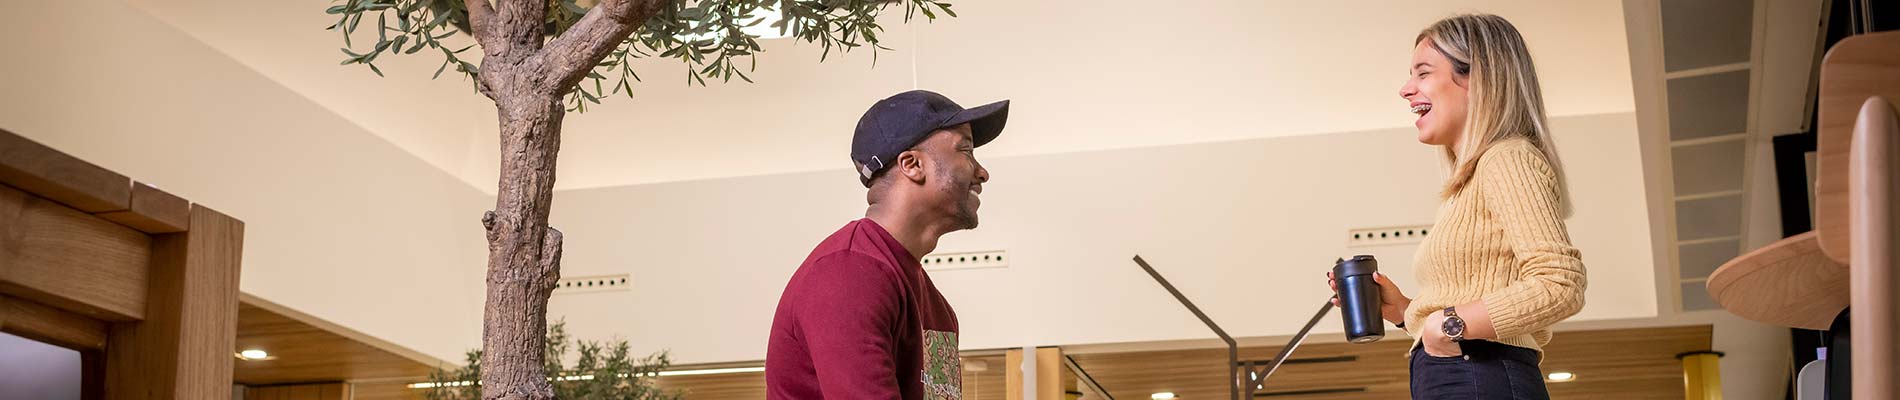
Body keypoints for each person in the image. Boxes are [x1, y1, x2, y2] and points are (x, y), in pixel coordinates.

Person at [1329, 13, 1586, 399]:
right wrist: (1404, 311)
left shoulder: (1507, 158)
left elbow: (1560, 283)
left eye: (1423, 73)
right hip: (1460, 371)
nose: (1405, 89)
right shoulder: (1469, 182)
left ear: (1476, 78)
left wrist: (1446, 325)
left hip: (1477, 370)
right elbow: (1481, 287)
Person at [765, 90, 1008, 400]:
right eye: (965, 150)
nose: (982, 172)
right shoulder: (848, 274)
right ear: (912, 165)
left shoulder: (936, 309)